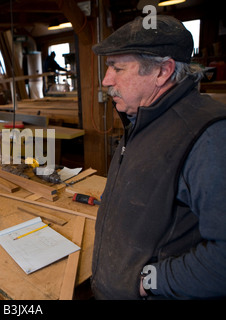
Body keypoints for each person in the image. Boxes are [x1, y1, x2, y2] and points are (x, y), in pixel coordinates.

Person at [91, 15, 226, 299]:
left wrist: (148, 282)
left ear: (162, 71)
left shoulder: (208, 138)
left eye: (118, 68)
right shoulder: (142, 116)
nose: (106, 80)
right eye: (108, 67)